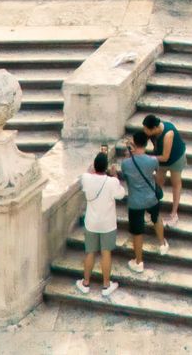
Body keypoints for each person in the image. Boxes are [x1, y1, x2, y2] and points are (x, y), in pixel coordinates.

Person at [119, 126, 169, 270]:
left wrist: (129, 154)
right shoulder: (153, 160)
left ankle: (139, 261)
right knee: (156, 217)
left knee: (137, 232)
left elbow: (127, 175)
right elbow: (155, 172)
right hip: (151, 196)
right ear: (146, 144)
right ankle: (162, 244)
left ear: (133, 145)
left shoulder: (126, 164)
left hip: (135, 201)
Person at [76, 150, 124, 296]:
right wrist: (115, 176)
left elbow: (86, 174)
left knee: (90, 252)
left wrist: (92, 170)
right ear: (107, 168)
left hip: (91, 222)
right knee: (106, 253)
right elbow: (120, 194)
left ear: (94, 165)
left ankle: (85, 283)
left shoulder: (86, 178)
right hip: (107, 224)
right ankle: (106, 285)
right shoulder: (112, 182)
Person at [142, 109, 187, 222]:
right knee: (158, 183)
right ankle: (153, 210)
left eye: (147, 130)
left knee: (176, 183)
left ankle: (174, 213)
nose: (145, 132)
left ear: (154, 129)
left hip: (175, 159)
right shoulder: (151, 131)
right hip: (160, 159)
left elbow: (165, 157)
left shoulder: (168, 134)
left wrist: (147, 157)